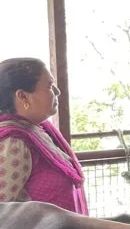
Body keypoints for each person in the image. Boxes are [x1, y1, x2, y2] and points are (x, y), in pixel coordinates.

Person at [0, 57, 89, 214]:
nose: (57, 92)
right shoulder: (13, 143)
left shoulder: (37, 130)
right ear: (23, 97)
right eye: (49, 86)